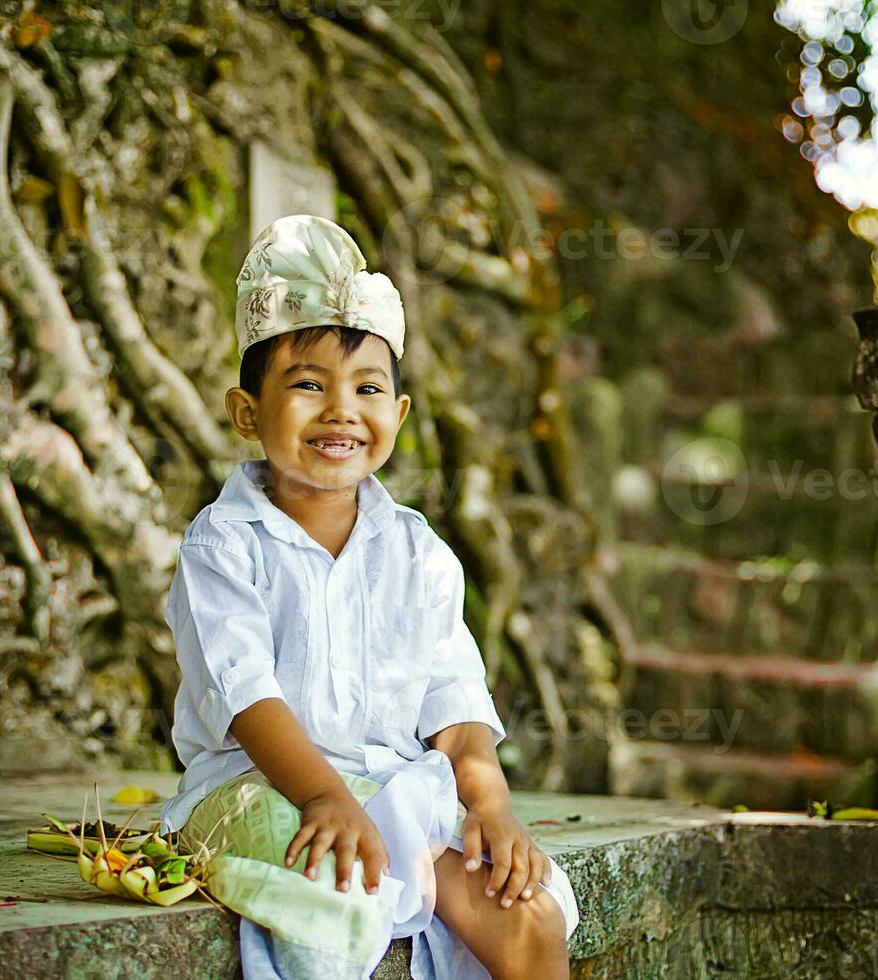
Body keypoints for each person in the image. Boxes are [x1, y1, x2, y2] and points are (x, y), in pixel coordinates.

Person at [158, 214, 579, 979]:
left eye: (368, 388)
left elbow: (454, 708)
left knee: (527, 914)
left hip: (396, 793)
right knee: (334, 902)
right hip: (257, 790)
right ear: (247, 412)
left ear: (399, 415)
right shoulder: (222, 543)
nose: (341, 409)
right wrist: (322, 796)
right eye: (307, 385)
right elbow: (245, 695)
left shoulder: (418, 553)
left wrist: (489, 807)